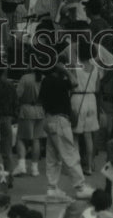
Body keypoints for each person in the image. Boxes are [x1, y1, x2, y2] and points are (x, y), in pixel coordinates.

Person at [39, 63, 95, 202]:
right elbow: (75, 83)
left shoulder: (46, 80)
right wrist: (65, 71)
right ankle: (80, 187)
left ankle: (52, 188)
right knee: (70, 154)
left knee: (53, 157)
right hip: (60, 120)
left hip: (48, 118)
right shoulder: (60, 80)